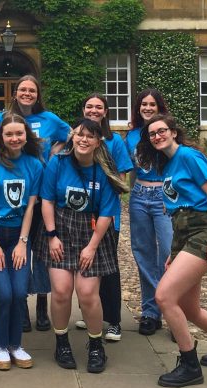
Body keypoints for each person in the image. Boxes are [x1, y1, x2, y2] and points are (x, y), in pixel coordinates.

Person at [136, 114, 207, 388]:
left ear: (173, 132)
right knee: (189, 307)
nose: (157, 136)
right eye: (152, 134)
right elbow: (175, 213)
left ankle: (189, 364)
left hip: (203, 232)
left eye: (162, 131)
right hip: (183, 234)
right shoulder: (166, 165)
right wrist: (174, 251)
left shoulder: (189, 156)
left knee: (164, 296)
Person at [38, 118, 130, 374]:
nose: (83, 140)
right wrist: (51, 235)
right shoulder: (58, 162)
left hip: (93, 234)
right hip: (61, 228)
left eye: (90, 136)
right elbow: (46, 201)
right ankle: (61, 342)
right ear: (73, 137)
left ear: (98, 141)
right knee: (61, 290)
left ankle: (95, 344)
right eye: (79, 135)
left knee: (88, 293)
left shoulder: (104, 168)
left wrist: (91, 247)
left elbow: (107, 213)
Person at [0, 74, 71, 331]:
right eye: (22, 89)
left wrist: (57, 151)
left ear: (37, 94)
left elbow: (72, 134)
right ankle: (21, 305)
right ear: (16, 93)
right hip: (15, 193)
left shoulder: (49, 119)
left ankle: (42, 305)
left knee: (43, 252)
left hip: (44, 193)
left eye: (31, 90)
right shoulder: (2, 120)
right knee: (18, 248)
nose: (27, 94)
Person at [0, 113, 44, 371]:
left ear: (26, 136)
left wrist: (23, 242)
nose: (14, 138)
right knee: (3, 293)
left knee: (19, 292)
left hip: (18, 237)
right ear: (1, 137)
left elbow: (30, 207)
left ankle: (16, 345)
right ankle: (1, 345)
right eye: (9, 134)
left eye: (19, 133)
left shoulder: (34, 165)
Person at [72, 93, 133, 342]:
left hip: (106, 214)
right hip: (79, 215)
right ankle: (91, 313)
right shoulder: (77, 135)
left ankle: (114, 321)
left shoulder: (113, 141)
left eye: (99, 107)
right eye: (89, 106)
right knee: (85, 266)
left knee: (108, 267)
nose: (94, 110)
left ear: (105, 112)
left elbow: (122, 178)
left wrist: (102, 190)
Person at [124, 89, 173, 336]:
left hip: (164, 196)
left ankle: (174, 310)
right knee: (143, 253)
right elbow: (126, 170)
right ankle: (150, 312)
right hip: (140, 196)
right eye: (144, 104)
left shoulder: (166, 132)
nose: (148, 107)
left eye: (152, 104)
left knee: (168, 254)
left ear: (160, 107)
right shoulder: (131, 136)